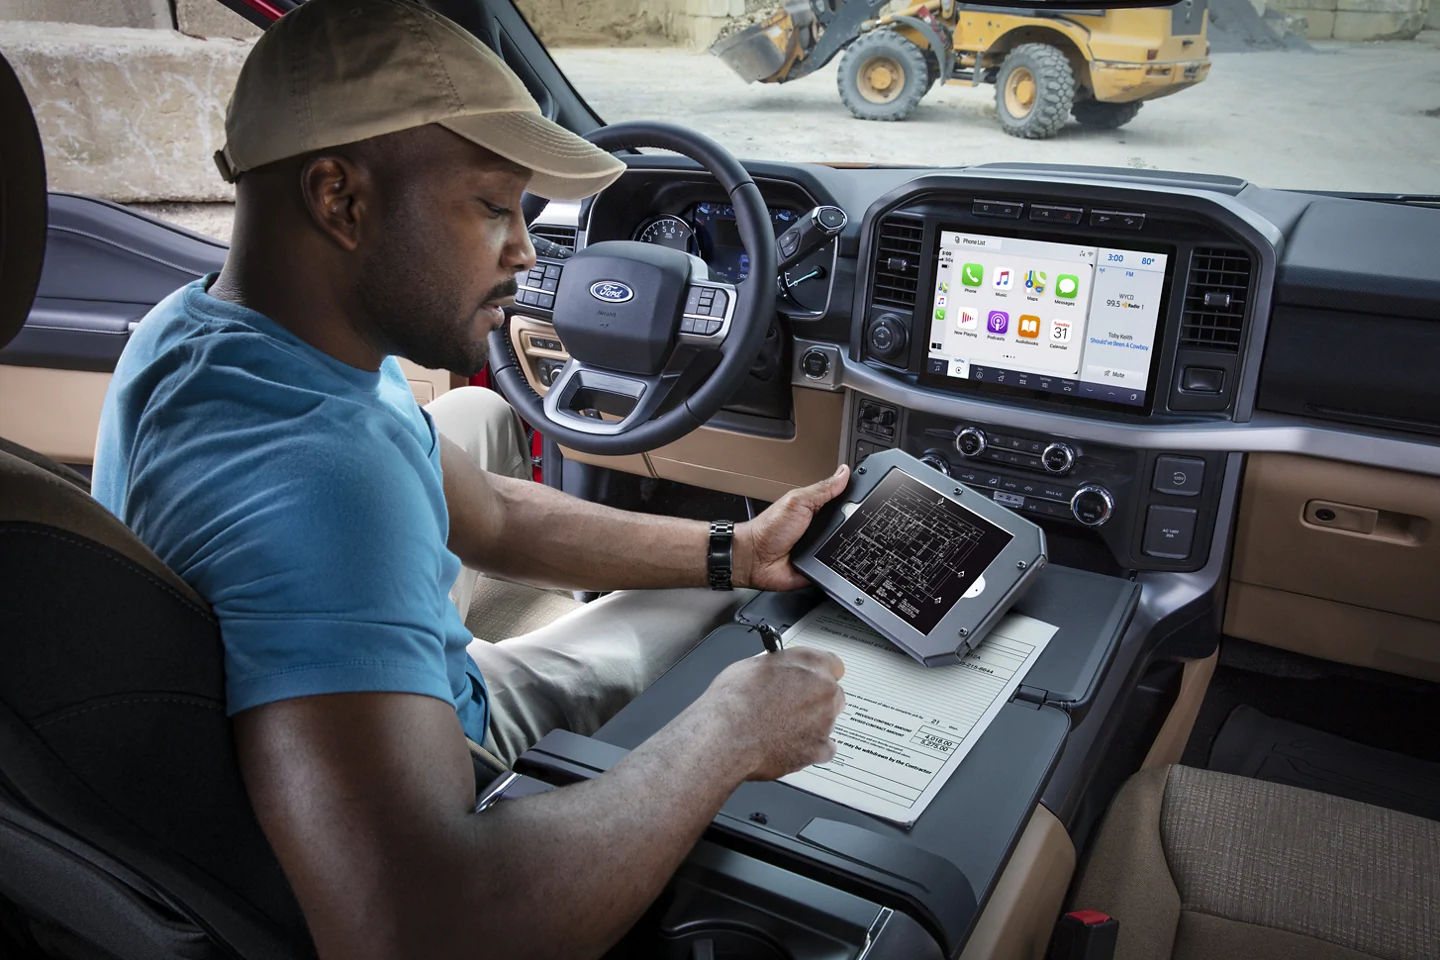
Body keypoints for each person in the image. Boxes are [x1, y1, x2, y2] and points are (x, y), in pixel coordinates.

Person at [90, 0, 849, 956]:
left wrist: (735, 549)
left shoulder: (198, 328)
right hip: (436, 758)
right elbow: (419, 928)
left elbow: (484, 511)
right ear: (340, 198)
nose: (528, 252)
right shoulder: (325, 483)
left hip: (323, 714)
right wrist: (728, 737)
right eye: (493, 207)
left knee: (497, 431)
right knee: (716, 643)